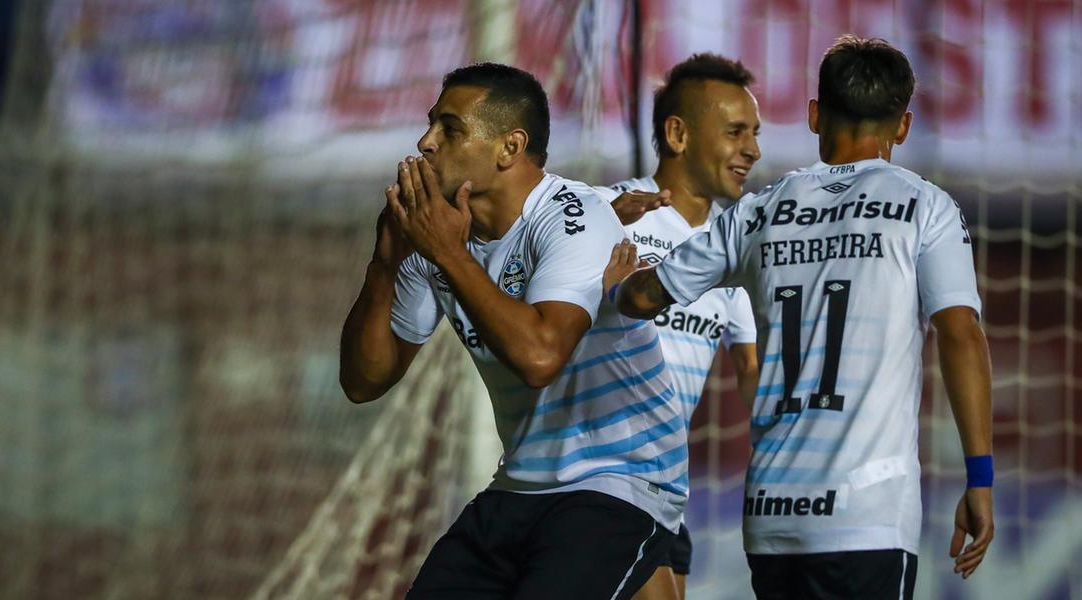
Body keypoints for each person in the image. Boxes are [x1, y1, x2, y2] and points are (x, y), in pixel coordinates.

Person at [612, 36, 994, 599]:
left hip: (772, 515)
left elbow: (642, 297)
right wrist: (979, 478)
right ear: (903, 126)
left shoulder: (756, 212)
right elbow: (960, 335)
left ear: (815, 117)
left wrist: (613, 279)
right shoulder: (924, 207)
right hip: (868, 512)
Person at [339, 62, 688, 599]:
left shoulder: (575, 215)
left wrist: (449, 255)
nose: (426, 142)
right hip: (521, 482)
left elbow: (539, 358)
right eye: (431, 124)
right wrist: (383, 264)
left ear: (509, 147)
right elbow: (365, 382)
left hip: (619, 479)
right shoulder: (439, 238)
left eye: (450, 128)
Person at [601, 53, 763, 600]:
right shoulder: (612, 213)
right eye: (736, 132)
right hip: (601, 476)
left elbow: (752, 372)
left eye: (755, 134)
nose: (753, 151)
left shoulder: (731, 247)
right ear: (677, 134)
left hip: (665, 489)